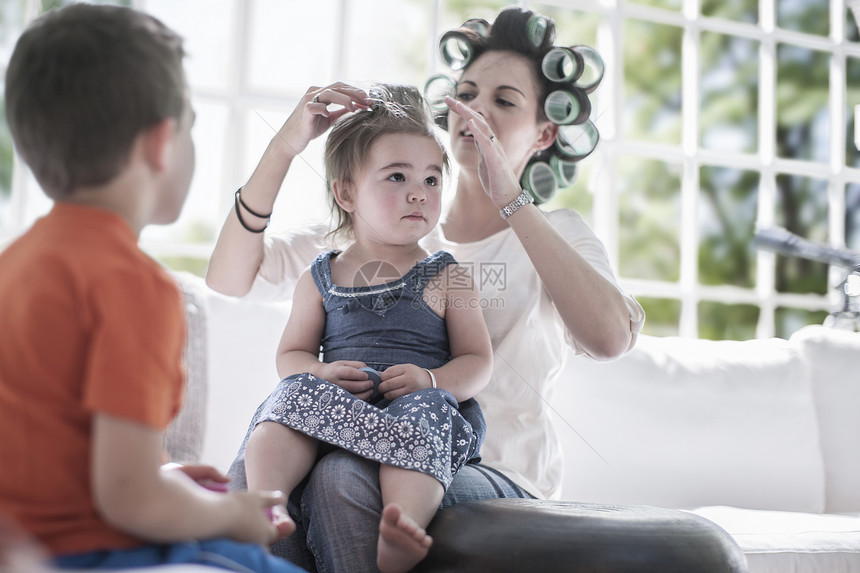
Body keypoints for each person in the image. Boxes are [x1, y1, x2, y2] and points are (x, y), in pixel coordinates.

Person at [207, 6, 644, 572]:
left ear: (545, 132)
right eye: (465, 93)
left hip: (494, 467)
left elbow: (610, 339)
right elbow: (227, 277)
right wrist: (285, 146)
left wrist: (511, 198)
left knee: (340, 476)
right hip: (358, 434)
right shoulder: (379, 226)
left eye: (504, 100)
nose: (475, 110)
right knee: (276, 466)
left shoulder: (554, 234)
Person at [0, 5, 305, 572]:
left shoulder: (14, 265)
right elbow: (130, 499)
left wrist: (163, 477)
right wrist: (230, 514)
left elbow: (50, 449)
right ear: (161, 144)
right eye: (192, 125)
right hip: (88, 552)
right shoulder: (135, 286)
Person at [233, 83, 493, 573]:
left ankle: (402, 525)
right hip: (338, 410)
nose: (419, 191)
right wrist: (318, 373)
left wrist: (431, 380)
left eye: (433, 180)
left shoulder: (449, 275)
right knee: (287, 397)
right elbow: (290, 354)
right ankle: (266, 501)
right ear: (346, 192)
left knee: (428, 410)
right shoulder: (321, 275)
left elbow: (478, 361)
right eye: (397, 176)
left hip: (405, 409)